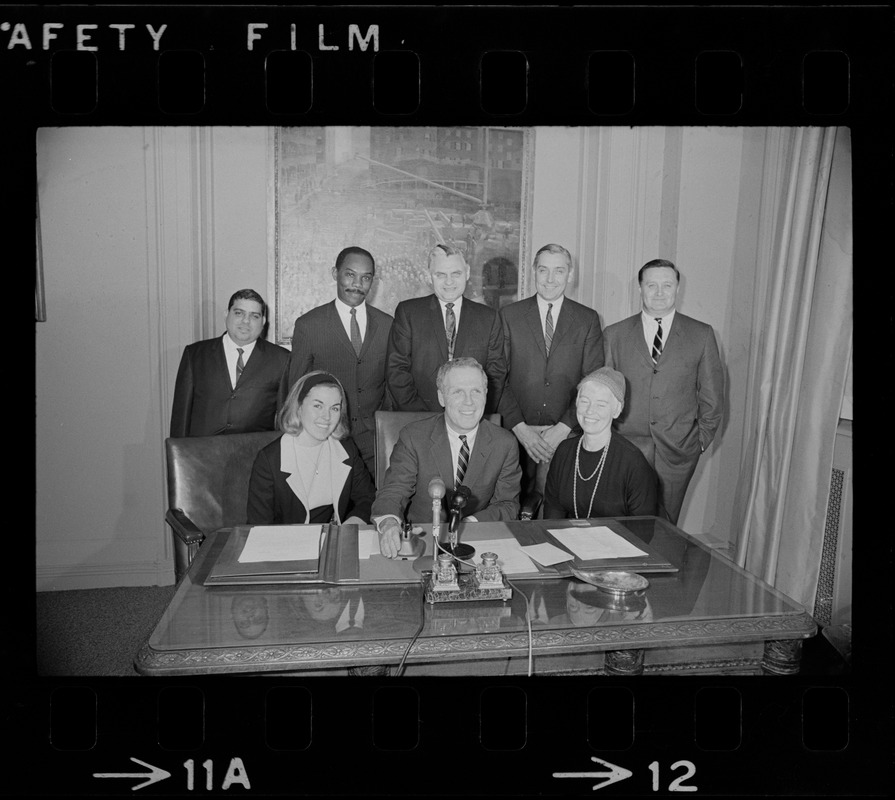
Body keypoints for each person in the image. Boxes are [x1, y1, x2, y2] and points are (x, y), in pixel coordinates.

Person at [602, 259, 724, 524]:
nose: (659, 292)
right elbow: (604, 394)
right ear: (640, 288)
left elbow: (712, 398)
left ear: (677, 288)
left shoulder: (701, 334)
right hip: (626, 449)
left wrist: (698, 442)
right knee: (622, 525)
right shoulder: (615, 334)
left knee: (665, 529)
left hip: (677, 452)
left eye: (667, 285)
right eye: (651, 285)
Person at [373, 358, 521, 558]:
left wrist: (469, 525)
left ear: (486, 395)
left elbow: (507, 504)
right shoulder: (414, 437)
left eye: (476, 391)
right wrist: (390, 522)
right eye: (457, 392)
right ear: (441, 397)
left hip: (478, 544)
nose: (468, 401)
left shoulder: (505, 443)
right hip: (422, 543)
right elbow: (394, 491)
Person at [498, 243, 604, 498]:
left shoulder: (587, 319)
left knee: (555, 513)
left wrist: (563, 428)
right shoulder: (508, 315)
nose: (550, 279)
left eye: (559, 271)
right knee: (512, 509)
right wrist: (520, 428)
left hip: (566, 437)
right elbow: (497, 377)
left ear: (570, 274)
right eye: (543, 270)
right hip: (515, 435)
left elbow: (592, 382)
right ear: (533, 272)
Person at [289, 246, 393, 478]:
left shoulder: (388, 325)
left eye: (366, 278)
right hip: (327, 436)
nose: (358, 284)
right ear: (335, 273)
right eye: (350, 274)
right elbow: (296, 388)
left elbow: (393, 384)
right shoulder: (309, 325)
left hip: (374, 442)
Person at [386, 243, 506, 413]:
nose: (449, 282)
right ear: (429, 276)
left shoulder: (489, 317)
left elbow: (495, 375)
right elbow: (396, 371)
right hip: (418, 419)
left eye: (456, 273)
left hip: (471, 419)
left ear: (468, 273)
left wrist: (473, 414)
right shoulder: (408, 313)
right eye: (440, 275)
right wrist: (420, 416)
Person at [246, 371, 375, 526]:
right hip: (285, 544)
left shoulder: (346, 449)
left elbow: (368, 498)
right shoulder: (269, 460)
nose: (326, 417)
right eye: (317, 406)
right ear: (298, 407)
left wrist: (350, 527)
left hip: (333, 540)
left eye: (334, 408)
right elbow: (260, 526)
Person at [170, 288, 290, 437]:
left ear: (263, 322)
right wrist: (178, 455)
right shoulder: (195, 355)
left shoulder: (281, 359)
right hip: (200, 454)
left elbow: (284, 419)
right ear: (226, 315)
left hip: (255, 454)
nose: (246, 321)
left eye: (254, 316)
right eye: (239, 313)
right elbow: (181, 416)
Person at [543, 367, 658, 519]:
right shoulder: (564, 451)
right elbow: (552, 513)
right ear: (577, 403)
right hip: (569, 539)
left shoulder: (634, 463)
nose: (590, 411)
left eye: (601, 404)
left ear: (616, 410)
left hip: (619, 541)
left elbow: (643, 529)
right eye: (585, 401)